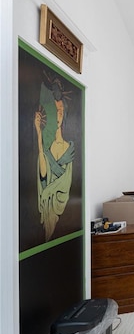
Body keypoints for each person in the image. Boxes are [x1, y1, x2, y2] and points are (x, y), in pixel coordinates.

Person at [34, 72, 75, 241]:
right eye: (56, 110)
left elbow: (65, 187)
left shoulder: (68, 148)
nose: (58, 114)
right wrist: (39, 134)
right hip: (46, 206)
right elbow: (43, 176)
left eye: (60, 111)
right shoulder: (47, 146)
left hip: (57, 205)